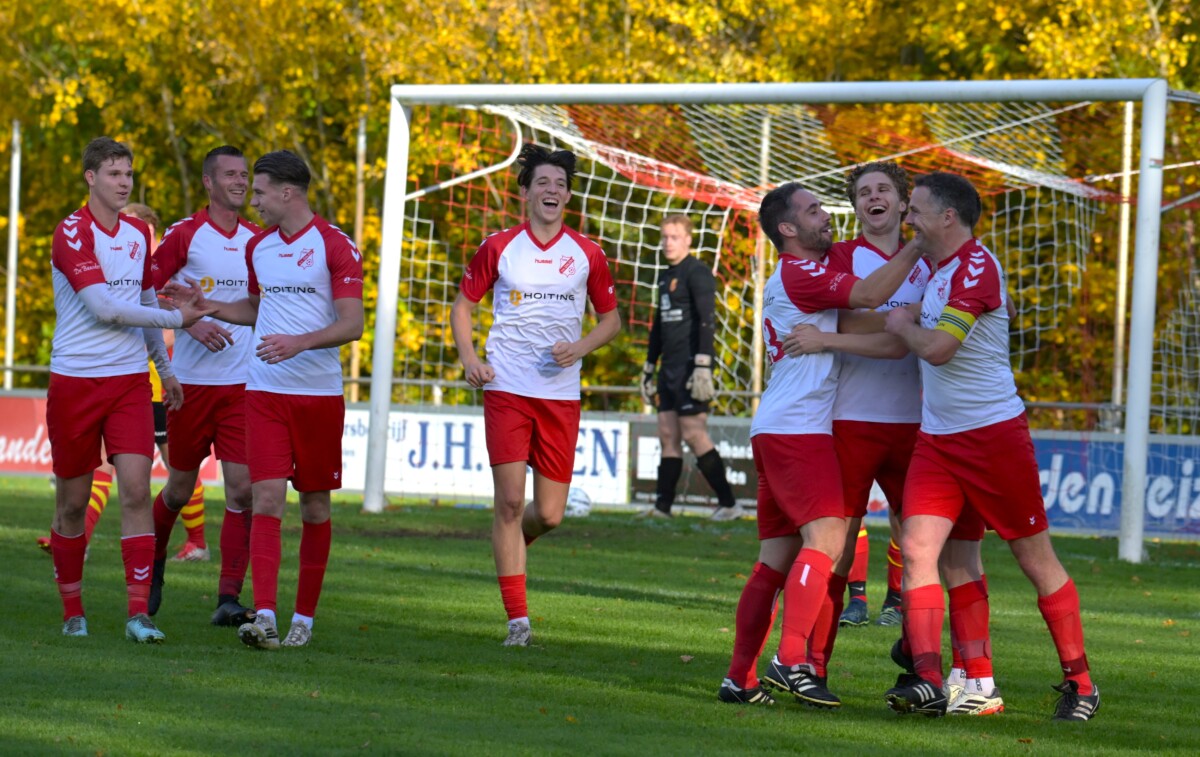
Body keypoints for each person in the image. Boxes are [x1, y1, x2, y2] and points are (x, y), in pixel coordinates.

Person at [782, 164, 1003, 716]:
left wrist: (883, 326)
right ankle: (813, 668)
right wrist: (898, 323)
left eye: (883, 190)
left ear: (905, 204)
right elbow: (852, 325)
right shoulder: (839, 257)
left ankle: (942, 672)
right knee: (836, 548)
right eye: (863, 192)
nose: (872, 198)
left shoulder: (937, 259)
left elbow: (894, 331)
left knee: (936, 552)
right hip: (849, 422)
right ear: (856, 206)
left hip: (921, 427)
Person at [881, 172, 1098, 720]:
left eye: (916, 210)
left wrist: (902, 324)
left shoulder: (976, 266)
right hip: (937, 440)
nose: (909, 219)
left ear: (948, 217)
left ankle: (1082, 684)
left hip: (993, 438)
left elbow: (939, 349)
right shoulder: (940, 268)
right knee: (924, 550)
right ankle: (945, 680)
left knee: (1034, 560)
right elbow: (988, 310)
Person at [717, 182, 923, 706]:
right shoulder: (799, 271)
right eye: (813, 211)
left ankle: (739, 679)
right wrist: (920, 244)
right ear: (788, 228)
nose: (825, 215)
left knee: (774, 561)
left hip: (777, 426)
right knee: (830, 540)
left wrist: (918, 315)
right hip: (799, 430)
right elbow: (870, 296)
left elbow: (870, 322)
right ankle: (791, 660)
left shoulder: (801, 276)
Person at [167, 150, 364, 650]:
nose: (252, 200)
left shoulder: (335, 245)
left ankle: (304, 620)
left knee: (314, 507)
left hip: (317, 395)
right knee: (267, 498)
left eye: (259, 191)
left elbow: (352, 323)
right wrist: (209, 307)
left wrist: (299, 343)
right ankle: (268, 617)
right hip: (264, 391)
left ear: (286, 192)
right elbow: (257, 307)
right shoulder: (260, 248)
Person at [450, 144, 621, 647]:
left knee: (548, 514)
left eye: (560, 184)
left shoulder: (587, 253)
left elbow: (611, 320)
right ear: (525, 192)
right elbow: (463, 306)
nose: (552, 190)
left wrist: (581, 347)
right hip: (506, 387)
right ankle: (517, 622)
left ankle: (511, 545)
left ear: (568, 196)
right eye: (543, 182)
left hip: (560, 396)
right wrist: (470, 360)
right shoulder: (499, 246)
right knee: (508, 502)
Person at [47, 136, 209, 642]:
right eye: (114, 174)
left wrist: (165, 369)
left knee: (137, 490)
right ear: (90, 177)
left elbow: (143, 304)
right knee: (73, 503)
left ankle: (138, 615)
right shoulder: (71, 232)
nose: (123, 183)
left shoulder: (139, 233)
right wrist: (179, 320)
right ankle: (73, 613)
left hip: (129, 383)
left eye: (129, 174)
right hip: (75, 380)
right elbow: (106, 310)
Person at [149, 146, 262, 627]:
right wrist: (189, 322)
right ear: (208, 183)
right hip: (191, 386)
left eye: (244, 175)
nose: (240, 182)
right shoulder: (184, 234)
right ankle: (152, 564)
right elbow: (143, 291)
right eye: (230, 174)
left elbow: (262, 305)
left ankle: (228, 598)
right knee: (179, 489)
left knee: (243, 490)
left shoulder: (259, 240)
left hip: (243, 386)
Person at [637, 214, 740, 520]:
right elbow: (659, 325)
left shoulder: (698, 272)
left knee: (694, 435)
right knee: (667, 435)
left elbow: (708, 320)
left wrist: (703, 364)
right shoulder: (664, 276)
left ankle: (730, 504)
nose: (668, 243)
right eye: (664, 237)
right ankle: (663, 508)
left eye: (674, 237)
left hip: (691, 368)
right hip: (668, 368)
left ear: (688, 240)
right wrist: (648, 367)